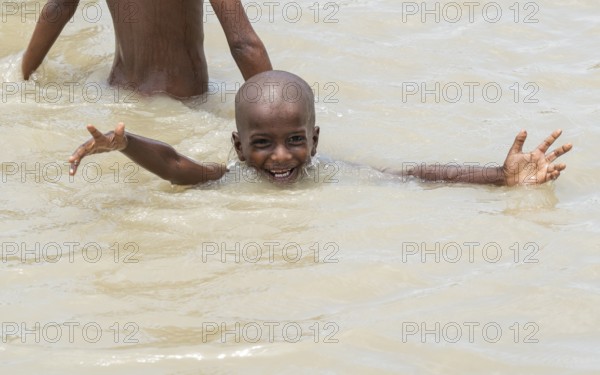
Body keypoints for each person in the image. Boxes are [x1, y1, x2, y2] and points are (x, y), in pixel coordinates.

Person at [68, 70, 573, 186]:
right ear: (239, 147)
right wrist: (127, 143)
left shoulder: (333, 173)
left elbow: (417, 174)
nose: (282, 157)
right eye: (262, 144)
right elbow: (179, 167)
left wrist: (499, 176)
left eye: (295, 141)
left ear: (315, 141)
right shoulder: (233, 175)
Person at [22, 0, 272, 98]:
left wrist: (22, 77)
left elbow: (58, 9)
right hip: (182, 103)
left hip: (116, 94)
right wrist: (280, 112)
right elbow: (243, 44)